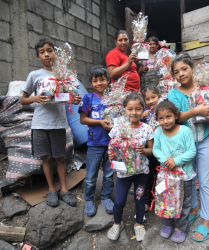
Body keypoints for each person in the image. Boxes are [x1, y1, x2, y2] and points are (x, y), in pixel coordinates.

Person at [168, 55, 209, 241]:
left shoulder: (205, 89)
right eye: (176, 72)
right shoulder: (174, 94)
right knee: (189, 179)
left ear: (192, 69)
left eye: (184, 69)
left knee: (205, 181)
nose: (181, 74)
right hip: (185, 146)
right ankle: (193, 210)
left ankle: (207, 220)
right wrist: (196, 111)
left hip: (204, 142)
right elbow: (175, 117)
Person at [20, 38, 81, 207]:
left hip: (58, 124)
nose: (46, 54)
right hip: (40, 124)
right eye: (42, 52)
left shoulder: (64, 75)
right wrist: (36, 98)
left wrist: (75, 99)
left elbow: (73, 98)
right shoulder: (35, 75)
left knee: (60, 158)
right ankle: (52, 189)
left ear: (56, 53)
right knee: (46, 158)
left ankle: (64, 190)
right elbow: (23, 100)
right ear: (38, 56)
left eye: (50, 50)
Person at [107, 92, 154, 242]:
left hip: (141, 172)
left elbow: (151, 150)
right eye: (130, 109)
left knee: (139, 199)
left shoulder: (147, 129)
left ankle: (139, 224)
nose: (134, 112)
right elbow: (112, 147)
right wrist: (111, 154)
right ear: (124, 110)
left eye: (138, 109)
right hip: (123, 173)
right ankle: (117, 223)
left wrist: (143, 150)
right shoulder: (118, 128)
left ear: (143, 109)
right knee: (119, 201)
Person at [153, 100, 197, 243]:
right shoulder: (158, 131)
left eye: (169, 117)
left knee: (184, 203)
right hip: (166, 176)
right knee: (165, 199)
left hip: (184, 176)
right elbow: (156, 149)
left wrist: (176, 161)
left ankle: (181, 228)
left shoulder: (185, 131)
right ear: (157, 120)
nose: (165, 121)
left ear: (176, 116)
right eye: (161, 118)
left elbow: (192, 151)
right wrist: (166, 160)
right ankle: (167, 224)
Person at [79, 66, 114, 216]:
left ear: (108, 80)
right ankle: (89, 199)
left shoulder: (114, 98)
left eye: (102, 79)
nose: (99, 83)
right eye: (95, 80)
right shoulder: (88, 98)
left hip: (112, 142)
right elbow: (82, 120)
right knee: (91, 175)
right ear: (91, 83)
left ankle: (106, 197)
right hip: (95, 143)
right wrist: (100, 122)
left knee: (108, 174)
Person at [140, 86, 163, 211]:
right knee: (150, 173)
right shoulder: (146, 112)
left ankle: (160, 199)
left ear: (159, 96)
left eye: (153, 97)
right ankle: (147, 200)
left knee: (160, 174)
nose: (151, 101)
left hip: (163, 147)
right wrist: (142, 117)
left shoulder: (163, 109)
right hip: (150, 147)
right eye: (147, 99)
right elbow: (139, 125)